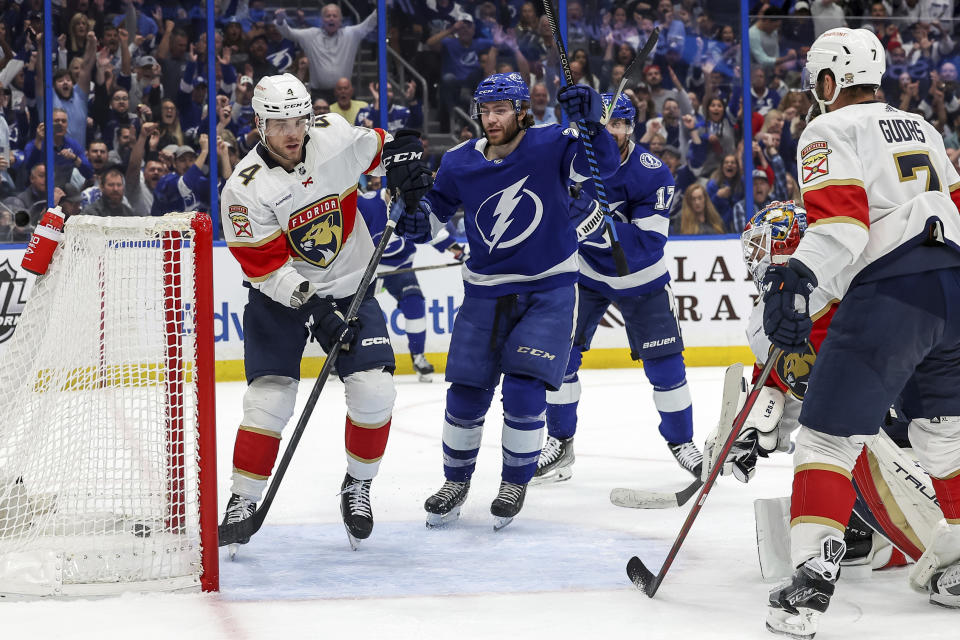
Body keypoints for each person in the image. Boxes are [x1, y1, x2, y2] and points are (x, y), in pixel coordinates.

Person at [760, 29, 960, 638]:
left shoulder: (828, 129)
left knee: (824, 440)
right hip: (954, 286)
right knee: (944, 439)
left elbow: (842, 225)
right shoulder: (922, 127)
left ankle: (808, 588)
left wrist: (795, 279)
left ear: (827, 82)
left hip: (892, 292)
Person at [394, 72, 620, 529]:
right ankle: (455, 481)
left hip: (548, 288)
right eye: (485, 110)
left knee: (523, 389)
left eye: (501, 110)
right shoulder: (459, 161)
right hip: (484, 292)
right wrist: (407, 207)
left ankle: (514, 481)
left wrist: (593, 125)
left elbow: (604, 169)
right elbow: (428, 218)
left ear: (521, 111)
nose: (491, 119)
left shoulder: (553, 141)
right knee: (465, 395)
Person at [217, 73, 432, 550]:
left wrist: (406, 158)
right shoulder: (243, 189)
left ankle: (357, 487)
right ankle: (243, 498)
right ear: (259, 125)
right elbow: (267, 267)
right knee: (269, 400)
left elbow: (386, 146)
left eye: (297, 120)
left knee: (375, 393)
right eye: (279, 124)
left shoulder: (331, 134)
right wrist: (314, 310)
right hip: (282, 300)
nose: (292, 133)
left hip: (350, 287)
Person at [536, 93, 699, 484]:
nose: (613, 132)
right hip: (587, 275)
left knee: (666, 365)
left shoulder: (653, 172)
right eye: (606, 124)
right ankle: (560, 443)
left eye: (620, 125)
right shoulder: (573, 161)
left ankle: (682, 443)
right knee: (560, 360)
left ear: (631, 128)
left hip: (642, 279)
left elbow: (647, 244)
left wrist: (593, 221)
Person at [356, 176, 466, 382]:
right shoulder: (366, 204)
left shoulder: (412, 206)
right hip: (370, 268)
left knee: (414, 303)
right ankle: (347, 354)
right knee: (356, 311)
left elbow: (435, 235)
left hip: (401, 268)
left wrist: (461, 254)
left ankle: (418, 357)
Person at [274, 5, 377, 93]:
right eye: (328, 16)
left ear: (340, 20)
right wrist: (280, 21)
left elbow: (368, 25)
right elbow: (289, 33)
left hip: (343, 94)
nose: (331, 18)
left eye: (335, 16)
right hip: (318, 94)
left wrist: (382, 5)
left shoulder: (350, 34)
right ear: (322, 20)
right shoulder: (310, 35)